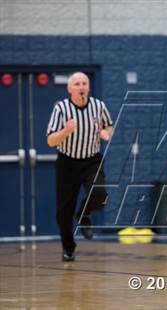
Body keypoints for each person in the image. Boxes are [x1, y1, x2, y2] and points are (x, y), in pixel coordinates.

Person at [47, 72, 113, 262]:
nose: (81, 86)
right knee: (64, 211)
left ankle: (84, 214)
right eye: (77, 84)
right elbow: (51, 140)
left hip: (92, 159)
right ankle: (68, 248)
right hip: (67, 162)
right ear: (69, 89)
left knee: (100, 193)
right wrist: (66, 131)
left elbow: (109, 125)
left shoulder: (98, 106)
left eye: (84, 83)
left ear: (89, 87)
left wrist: (105, 133)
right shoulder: (61, 108)